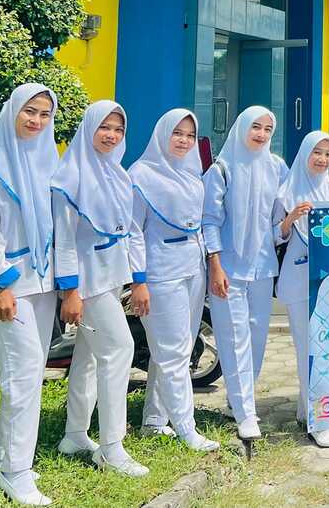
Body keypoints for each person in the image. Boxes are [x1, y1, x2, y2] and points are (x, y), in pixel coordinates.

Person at [0, 84, 59, 506]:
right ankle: (15, 472)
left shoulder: (46, 160)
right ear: (12, 112)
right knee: (21, 376)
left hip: (44, 281)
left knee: (30, 373)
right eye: (29, 111)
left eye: (44, 114)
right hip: (9, 285)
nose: (36, 121)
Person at [52, 101, 148, 477]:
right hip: (86, 283)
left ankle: (75, 435)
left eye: (118, 129)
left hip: (109, 277)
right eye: (104, 127)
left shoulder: (116, 173)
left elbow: (128, 230)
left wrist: (137, 277)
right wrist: (70, 291)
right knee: (120, 349)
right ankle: (111, 447)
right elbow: (63, 240)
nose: (111, 135)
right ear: (88, 128)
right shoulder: (70, 176)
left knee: (89, 358)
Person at [129, 109, 219, 452]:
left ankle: (154, 420)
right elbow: (133, 232)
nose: (183, 140)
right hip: (160, 272)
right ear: (162, 134)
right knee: (172, 353)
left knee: (175, 349)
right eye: (177, 133)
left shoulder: (192, 174)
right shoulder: (141, 175)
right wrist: (138, 281)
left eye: (190, 135)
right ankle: (187, 428)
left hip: (193, 268)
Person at [202, 107, 288, 441]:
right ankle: (245, 413)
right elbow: (210, 221)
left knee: (257, 338)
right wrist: (215, 264)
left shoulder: (276, 167)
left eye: (268, 129)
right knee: (233, 337)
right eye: (255, 127)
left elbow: (277, 219)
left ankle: (238, 401)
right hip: (228, 270)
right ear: (241, 128)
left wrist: (289, 223)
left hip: (263, 268)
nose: (261, 134)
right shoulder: (221, 169)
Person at [274, 130, 329, 448]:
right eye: (317, 152)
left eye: (328, 154)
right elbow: (275, 237)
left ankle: (308, 412)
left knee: (326, 348)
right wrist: (290, 219)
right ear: (305, 154)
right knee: (309, 349)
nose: (322, 159)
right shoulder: (286, 192)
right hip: (298, 281)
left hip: (328, 283)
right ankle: (321, 421)